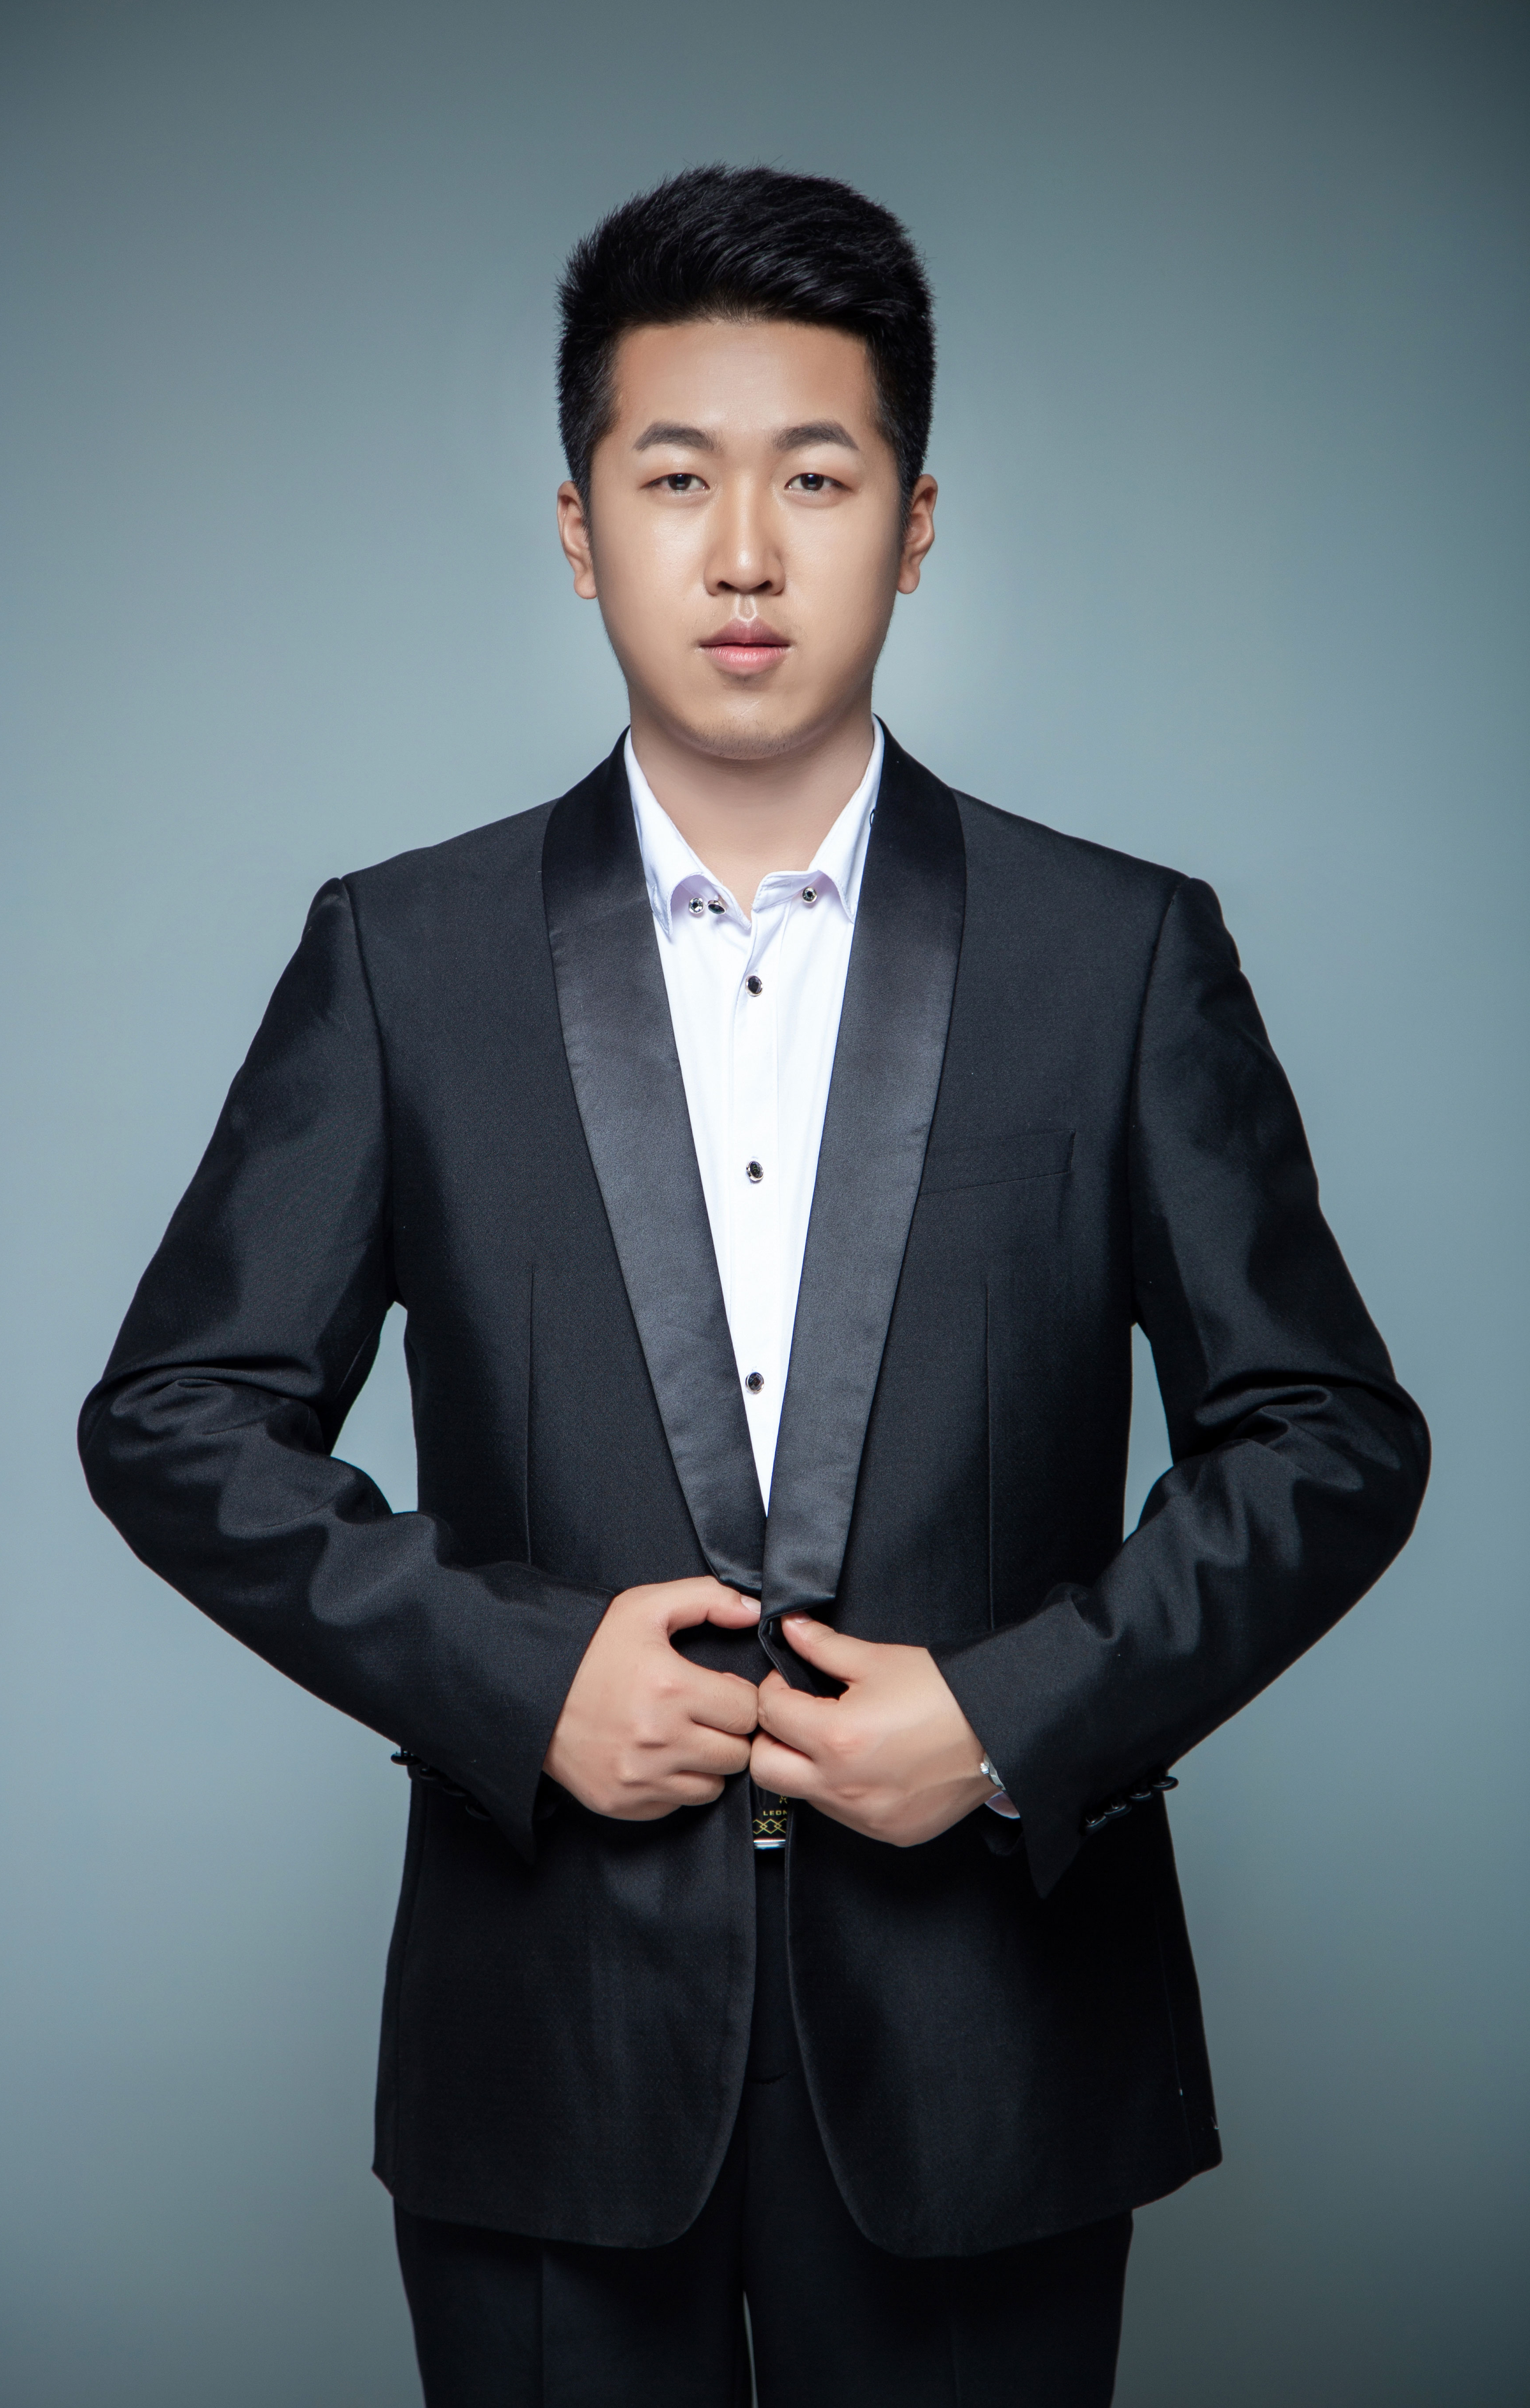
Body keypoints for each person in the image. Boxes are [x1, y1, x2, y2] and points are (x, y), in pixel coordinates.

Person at [79, 165, 1428, 2407]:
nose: (740, 553)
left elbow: (1330, 1438)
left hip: (991, 2054)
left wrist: (1010, 1718)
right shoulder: (404, 957)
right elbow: (174, 1415)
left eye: (814, 477)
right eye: (673, 476)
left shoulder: (1120, 956)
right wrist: (522, 1681)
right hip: (550, 2044)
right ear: (578, 525)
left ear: (913, 524)